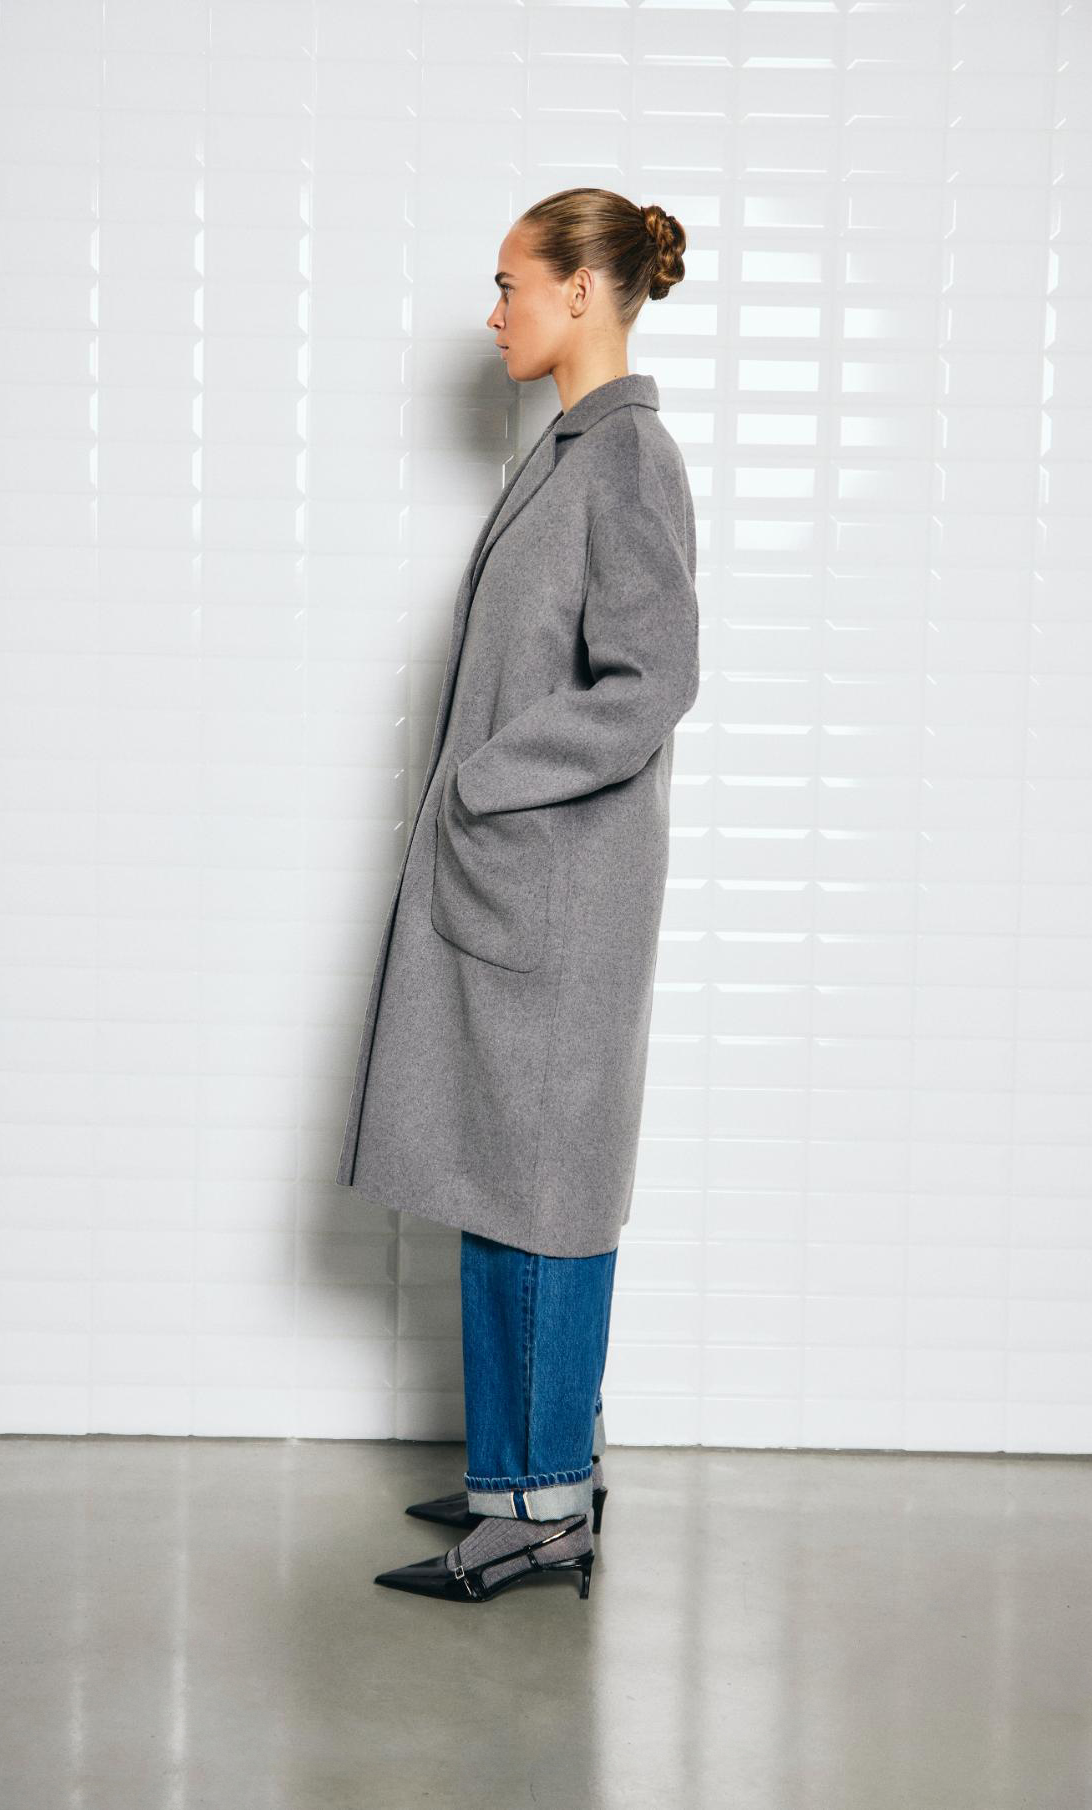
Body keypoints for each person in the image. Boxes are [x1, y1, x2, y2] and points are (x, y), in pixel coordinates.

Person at [334, 187, 699, 1604]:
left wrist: (488, 781)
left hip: (561, 890)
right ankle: (515, 1475)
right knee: (502, 1178)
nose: (493, 314)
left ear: (582, 293)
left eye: (510, 285)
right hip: (525, 886)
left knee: (546, 1192)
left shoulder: (629, 459)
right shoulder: (568, 449)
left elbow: (651, 682)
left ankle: (544, 1512)